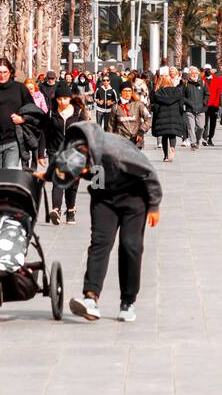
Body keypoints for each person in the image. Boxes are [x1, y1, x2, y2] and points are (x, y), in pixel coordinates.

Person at [44, 118, 162, 323]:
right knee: (100, 243)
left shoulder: (115, 151)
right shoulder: (71, 149)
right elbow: (59, 166)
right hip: (104, 198)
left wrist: (154, 206)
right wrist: (47, 175)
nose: (81, 175)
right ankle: (91, 298)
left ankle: (128, 302)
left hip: (134, 198)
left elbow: (148, 173)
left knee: (130, 246)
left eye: (81, 170)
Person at [0, 59, 37, 169]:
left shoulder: (20, 88)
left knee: (9, 174)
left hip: (14, 141)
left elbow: (32, 109)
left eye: (5, 72)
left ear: (10, 72)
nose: (2, 75)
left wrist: (23, 119)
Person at [45, 82, 86, 224]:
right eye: (60, 99)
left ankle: (70, 210)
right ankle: (56, 209)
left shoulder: (78, 112)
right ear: (56, 99)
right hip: (55, 151)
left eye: (65, 99)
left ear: (70, 98)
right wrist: (40, 154)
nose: (62, 102)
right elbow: (45, 134)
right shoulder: (51, 113)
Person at [151, 69, 185, 161]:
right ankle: (172, 148)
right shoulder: (177, 91)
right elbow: (181, 105)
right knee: (172, 134)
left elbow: (155, 107)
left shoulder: (158, 93)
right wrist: (181, 112)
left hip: (162, 116)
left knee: (164, 136)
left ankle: (166, 156)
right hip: (174, 115)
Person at [109, 83, 151, 148]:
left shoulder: (138, 104)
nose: (127, 93)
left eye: (129, 91)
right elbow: (111, 125)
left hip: (136, 139)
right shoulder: (116, 107)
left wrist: (141, 131)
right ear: (121, 92)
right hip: (121, 139)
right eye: (125, 91)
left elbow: (148, 118)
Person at [203, 63, 222, 145]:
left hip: (212, 104)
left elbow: (220, 91)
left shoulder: (216, 78)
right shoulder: (204, 79)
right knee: (207, 122)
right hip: (209, 103)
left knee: (210, 122)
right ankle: (207, 138)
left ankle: (208, 138)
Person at [183, 67, 206, 150]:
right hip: (189, 109)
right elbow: (182, 96)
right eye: (193, 73)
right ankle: (193, 143)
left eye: (196, 73)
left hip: (200, 109)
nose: (194, 75)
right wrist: (188, 103)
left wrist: (204, 102)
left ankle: (198, 139)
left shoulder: (202, 83)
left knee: (201, 127)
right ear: (189, 74)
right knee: (191, 127)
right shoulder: (186, 83)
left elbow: (207, 94)